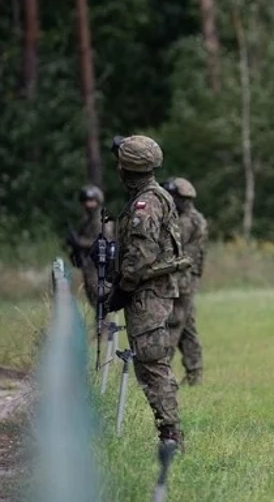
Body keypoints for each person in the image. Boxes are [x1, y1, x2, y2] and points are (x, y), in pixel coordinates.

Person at [105, 135, 189, 450]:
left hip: (148, 295)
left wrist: (123, 288)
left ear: (126, 168)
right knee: (149, 363)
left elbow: (141, 252)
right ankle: (169, 433)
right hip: (149, 293)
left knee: (153, 364)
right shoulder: (149, 196)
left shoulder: (147, 202)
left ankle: (171, 437)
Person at [161, 177, 208, 386]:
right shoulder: (197, 219)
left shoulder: (184, 222)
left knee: (173, 324)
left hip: (180, 281)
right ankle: (194, 373)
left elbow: (171, 251)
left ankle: (162, 373)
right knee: (187, 328)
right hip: (188, 279)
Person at [65, 185, 105, 304]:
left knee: (100, 299)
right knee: (92, 297)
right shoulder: (87, 221)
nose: (88, 205)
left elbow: (103, 241)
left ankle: (103, 322)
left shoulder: (101, 220)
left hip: (99, 266)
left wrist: (80, 242)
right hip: (88, 265)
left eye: (92, 201)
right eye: (86, 201)